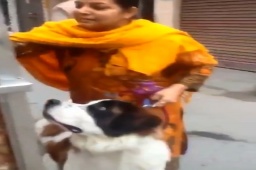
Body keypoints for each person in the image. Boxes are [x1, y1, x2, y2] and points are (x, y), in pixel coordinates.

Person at [10, 0, 217, 169]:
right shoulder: (62, 35)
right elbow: (16, 47)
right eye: (80, 5)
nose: (84, 12)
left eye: (98, 7)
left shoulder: (164, 39)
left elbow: (202, 65)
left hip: (147, 122)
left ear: (129, 12)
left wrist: (176, 87)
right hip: (88, 121)